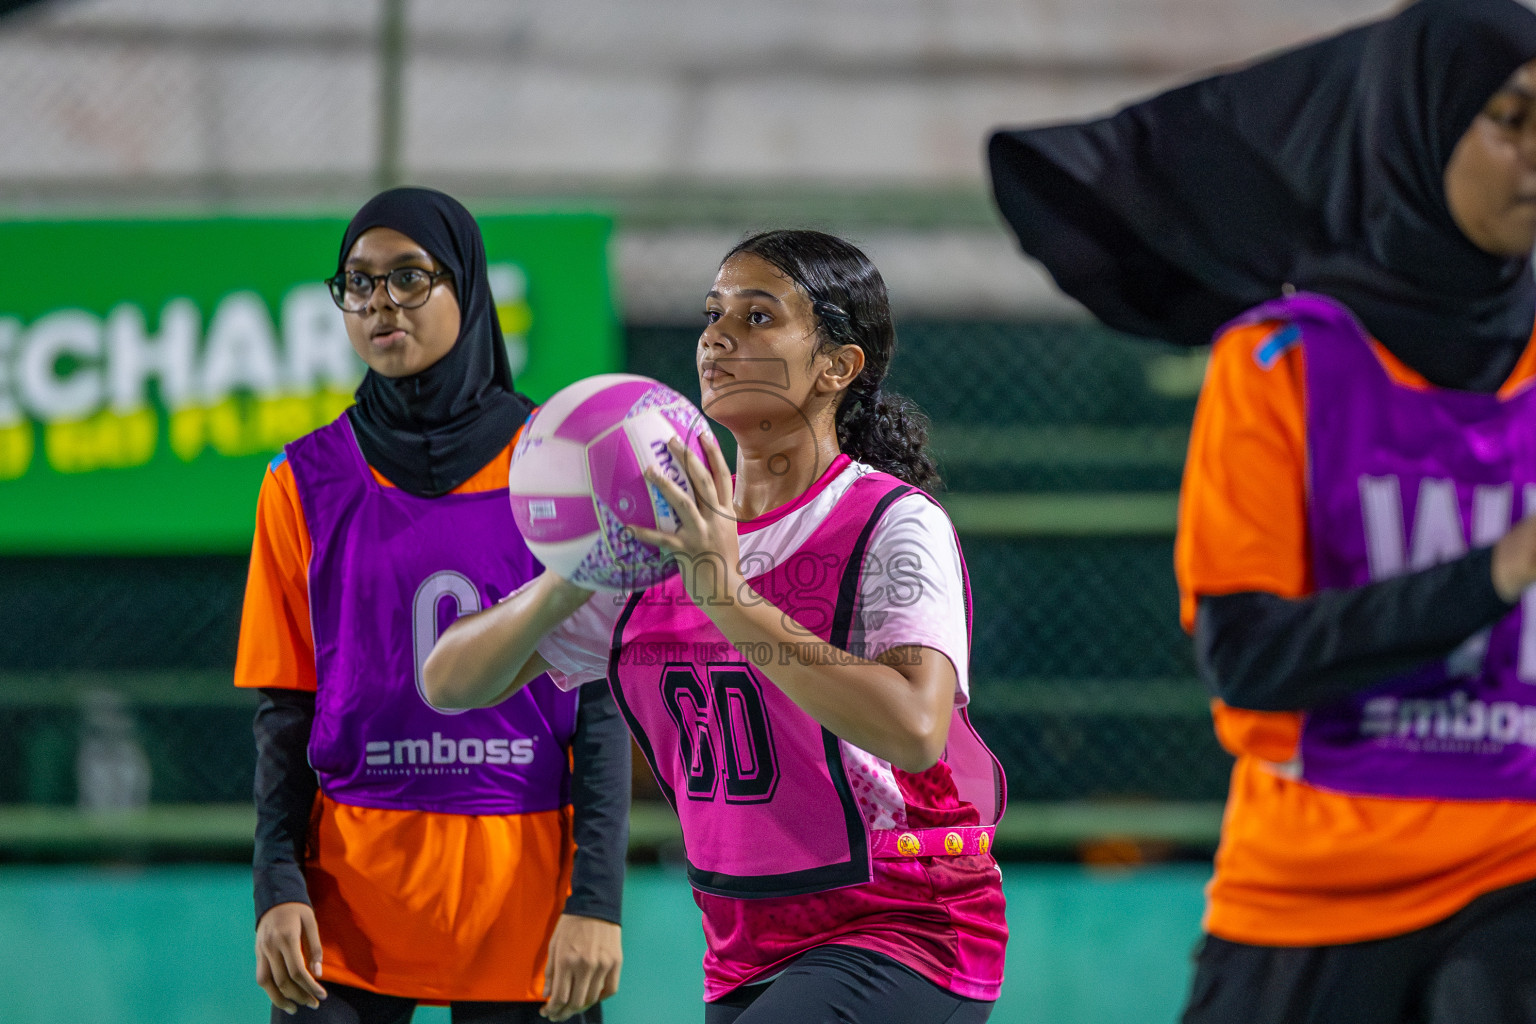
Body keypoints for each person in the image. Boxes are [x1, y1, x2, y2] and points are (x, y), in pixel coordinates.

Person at [987, 1, 1536, 1021]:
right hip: (1310, 876)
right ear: (1416, 127)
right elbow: (1249, 654)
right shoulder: (1282, 363)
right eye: (1510, 118)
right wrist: (1495, 571)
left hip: (1515, 863)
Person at [421, 229, 1008, 1023]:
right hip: (744, 942)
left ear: (836, 366)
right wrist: (571, 578)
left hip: (904, 921)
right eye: (712, 315)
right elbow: (450, 683)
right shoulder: (652, 540)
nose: (718, 338)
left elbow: (914, 727)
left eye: (759, 317)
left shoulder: (891, 524)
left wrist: (724, 593)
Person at [234, 187, 629, 1024]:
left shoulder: (555, 467)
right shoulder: (300, 482)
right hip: (349, 901)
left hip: (521, 896)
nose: (381, 304)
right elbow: (285, 712)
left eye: (409, 278)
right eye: (359, 283)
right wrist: (275, 887)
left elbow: (599, 710)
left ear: (468, 288)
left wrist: (596, 901)